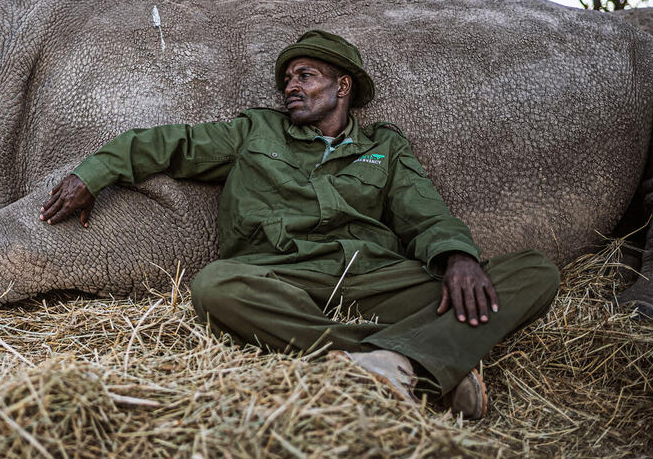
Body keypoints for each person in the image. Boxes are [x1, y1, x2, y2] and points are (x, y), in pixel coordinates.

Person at [39, 30, 560, 419]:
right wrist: (94, 173)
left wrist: (457, 257)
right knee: (215, 286)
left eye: (306, 76)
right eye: (288, 79)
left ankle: (397, 363)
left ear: (343, 86)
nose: (292, 86)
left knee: (534, 271)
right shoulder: (254, 131)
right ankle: (410, 361)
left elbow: (425, 212)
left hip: (373, 274)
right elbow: (165, 143)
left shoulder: (385, 146)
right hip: (279, 275)